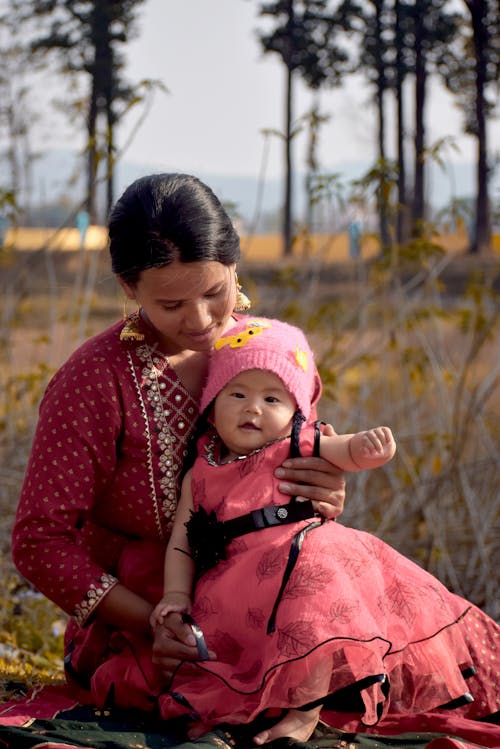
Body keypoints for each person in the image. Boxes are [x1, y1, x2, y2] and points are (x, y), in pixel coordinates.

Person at [9, 173, 346, 743]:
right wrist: (154, 622)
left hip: (268, 604)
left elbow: (297, 474)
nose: (199, 320)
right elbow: (38, 539)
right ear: (127, 285)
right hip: (144, 619)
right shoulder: (93, 380)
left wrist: (326, 493)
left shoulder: (271, 356)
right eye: (170, 303)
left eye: (214, 292)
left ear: (235, 265)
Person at [90, 317, 499, 745]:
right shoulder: (201, 471)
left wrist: (366, 448)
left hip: (301, 561)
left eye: (272, 398)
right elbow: (182, 542)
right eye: (237, 394)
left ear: (294, 414)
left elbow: (342, 451)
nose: (253, 408)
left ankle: (304, 713)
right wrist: (175, 595)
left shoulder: (292, 444)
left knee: (311, 616)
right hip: (237, 585)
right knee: (222, 660)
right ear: (212, 403)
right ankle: (245, 707)